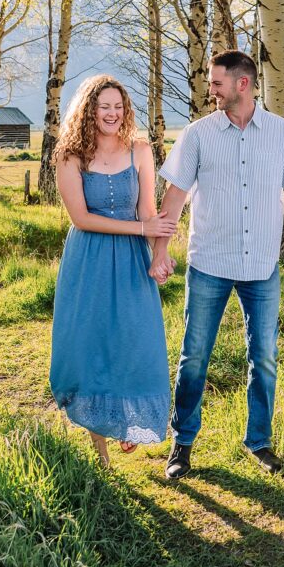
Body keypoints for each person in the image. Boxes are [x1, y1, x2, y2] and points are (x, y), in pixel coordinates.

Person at [154, 50, 284, 480]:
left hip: (261, 266)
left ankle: (258, 441)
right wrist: (160, 250)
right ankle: (182, 443)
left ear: (242, 84)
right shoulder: (198, 135)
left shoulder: (281, 133)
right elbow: (174, 196)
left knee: (263, 358)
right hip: (209, 262)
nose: (211, 89)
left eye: (217, 82)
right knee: (194, 357)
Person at [49, 74, 177, 467]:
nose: (112, 113)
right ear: (89, 110)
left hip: (131, 261)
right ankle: (100, 450)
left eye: (118, 107)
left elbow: (148, 212)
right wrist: (141, 229)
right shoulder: (69, 156)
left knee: (135, 340)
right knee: (92, 344)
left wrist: (159, 255)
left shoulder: (140, 150)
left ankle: (126, 419)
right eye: (104, 106)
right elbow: (81, 218)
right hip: (88, 260)